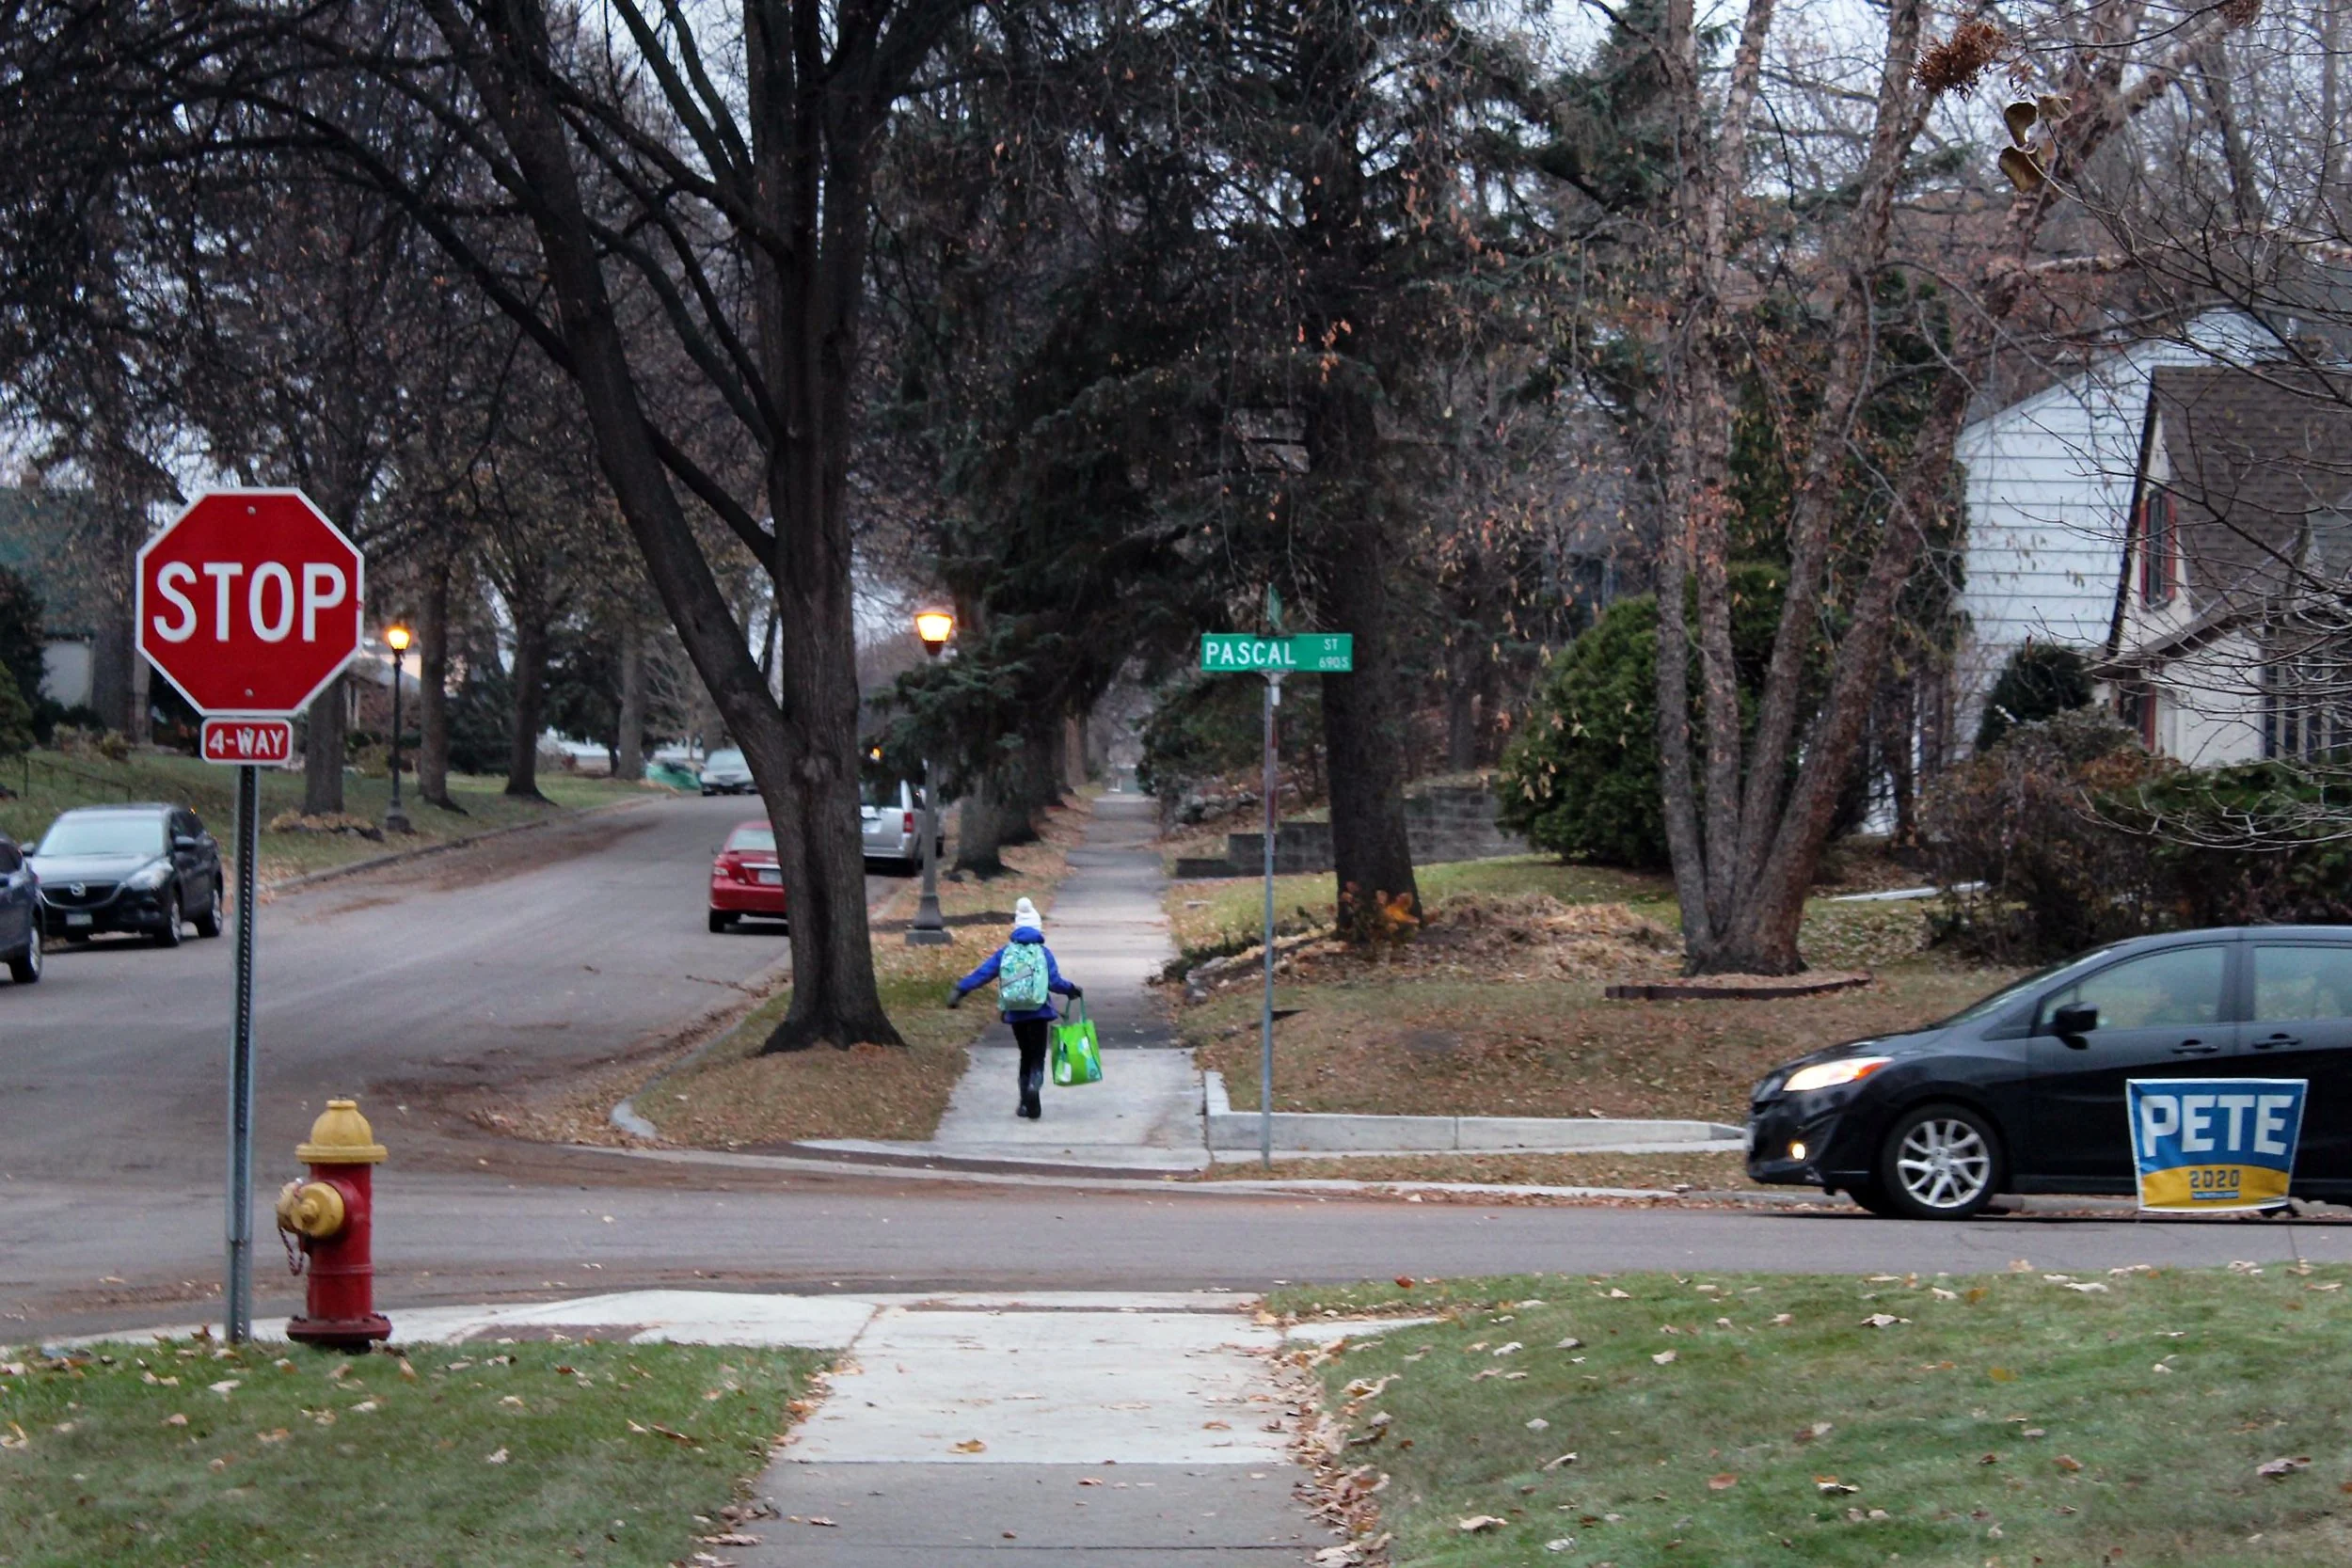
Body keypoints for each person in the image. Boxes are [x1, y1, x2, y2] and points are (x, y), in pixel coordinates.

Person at [948, 896, 1082, 1120]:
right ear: (1038, 928)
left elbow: (983, 974)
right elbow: (1055, 982)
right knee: (1038, 1057)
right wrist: (1071, 990)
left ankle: (1023, 1103)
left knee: (1025, 1055)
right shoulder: (1043, 953)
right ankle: (1034, 1091)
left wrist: (961, 989)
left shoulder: (1005, 953)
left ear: (1017, 928)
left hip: (1015, 1013)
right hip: (1039, 1012)